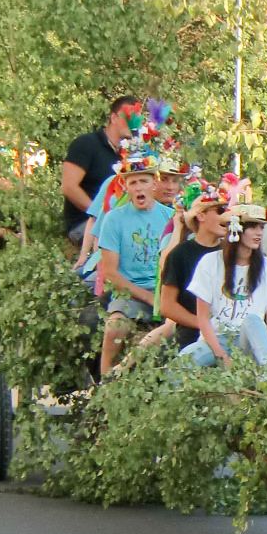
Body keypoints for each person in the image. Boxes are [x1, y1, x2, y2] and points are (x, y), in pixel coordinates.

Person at [93, 148, 174, 373]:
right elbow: (111, 273)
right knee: (114, 328)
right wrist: (148, 298)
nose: (139, 188)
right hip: (130, 295)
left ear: (154, 184)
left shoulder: (170, 217)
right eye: (133, 183)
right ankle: (105, 381)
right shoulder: (114, 219)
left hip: (165, 293)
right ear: (125, 186)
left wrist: (164, 299)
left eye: (144, 181)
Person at [184, 202, 267, 366]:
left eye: (261, 227)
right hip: (216, 339)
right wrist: (222, 356)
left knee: (252, 320)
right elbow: (202, 318)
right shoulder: (209, 262)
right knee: (181, 363)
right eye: (252, 227)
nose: (259, 233)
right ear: (235, 228)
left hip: (251, 340)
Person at [62, 96, 143, 245]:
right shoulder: (87, 144)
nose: (133, 124)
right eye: (129, 118)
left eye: (137, 120)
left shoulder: (132, 152)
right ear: (114, 117)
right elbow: (69, 187)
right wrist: (100, 216)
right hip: (85, 224)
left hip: (120, 223)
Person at [156, 183, 225, 350]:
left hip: (228, 334)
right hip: (191, 333)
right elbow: (167, 306)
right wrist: (204, 325)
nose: (226, 217)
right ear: (201, 215)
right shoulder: (180, 254)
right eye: (220, 211)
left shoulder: (231, 252)